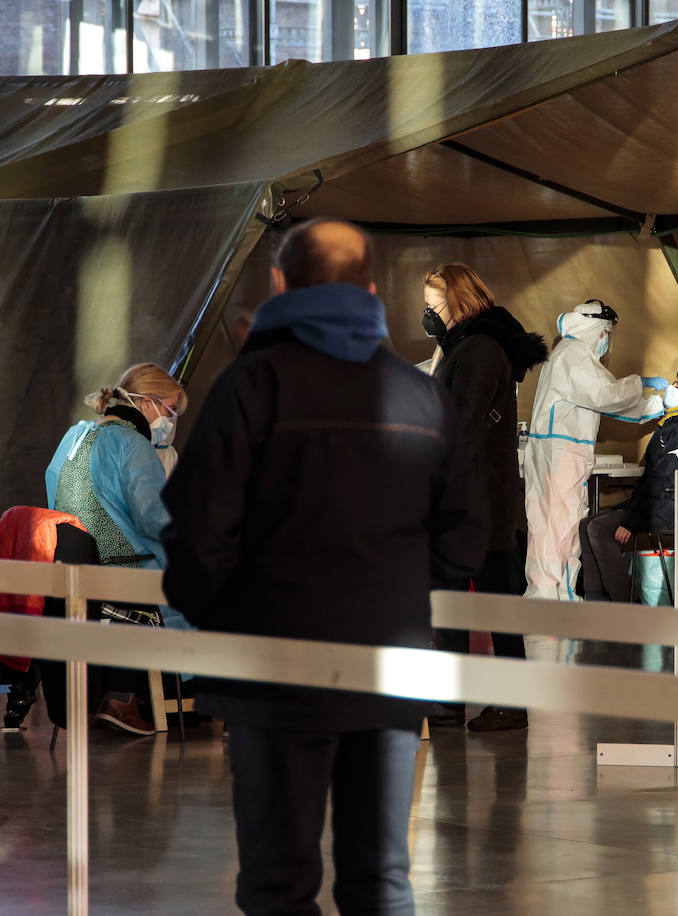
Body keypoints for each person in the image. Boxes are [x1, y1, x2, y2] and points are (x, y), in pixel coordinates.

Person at [161, 218, 486, 914]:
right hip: (391, 664)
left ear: (279, 284)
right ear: (371, 290)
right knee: (381, 881)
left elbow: (195, 531)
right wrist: (393, 593)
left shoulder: (248, 387)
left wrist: (227, 619)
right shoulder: (419, 393)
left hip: (271, 667)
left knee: (279, 882)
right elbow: (466, 537)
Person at [421, 263, 548, 732]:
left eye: (433, 306)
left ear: (459, 302)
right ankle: (457, 700)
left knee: (488, 601)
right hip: (477, 496)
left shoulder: (477, 350)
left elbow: (462, 423)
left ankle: (506, 704)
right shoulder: (469, 347)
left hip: (474, 499)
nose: (428, 315)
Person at [44, 362, 188, 736]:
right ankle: (146, 698)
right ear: (146, 403)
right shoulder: (133, 445)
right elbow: (153, 517)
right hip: (131, 576)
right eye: (170, 411)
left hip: (75, 580)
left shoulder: (72, 438)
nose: (171, 422)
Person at [524, 300, 667, 601]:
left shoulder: (565, 353)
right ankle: (556, 595)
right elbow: (607, 395)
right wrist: (644, 384)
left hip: (552, 449)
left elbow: (604, 402)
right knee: (563, 523)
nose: (607, 341)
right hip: (564, 451)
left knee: (547, 525)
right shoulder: (576, 355)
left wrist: (654, 406)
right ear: (598, 329)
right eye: (606, 334)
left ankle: (549, 593)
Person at [579, 368, 678, 603]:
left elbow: (662, 481)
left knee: (598, 529)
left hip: (671, 507)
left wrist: (631, 520)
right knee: (587, 524)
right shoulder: (672, 424)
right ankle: (596, 598)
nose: (670, 388)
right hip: (657, 501)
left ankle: (624, 603)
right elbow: (653, 479)